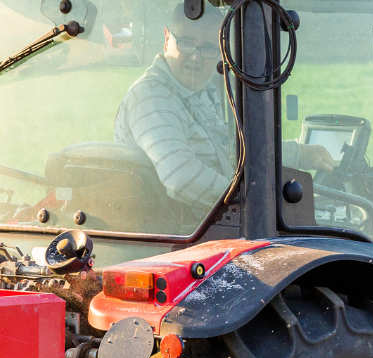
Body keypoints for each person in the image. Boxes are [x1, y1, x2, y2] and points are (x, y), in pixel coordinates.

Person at [114, 4, 333, 214]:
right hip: (181, 232)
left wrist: (296, 153)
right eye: (186, 44)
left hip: (204, 225)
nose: (196, 57)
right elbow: (182, 178)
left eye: (208, 48)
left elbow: (228, 149)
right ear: (166, 40)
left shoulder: (198, 92)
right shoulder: (152, 97)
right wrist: (252, 203)